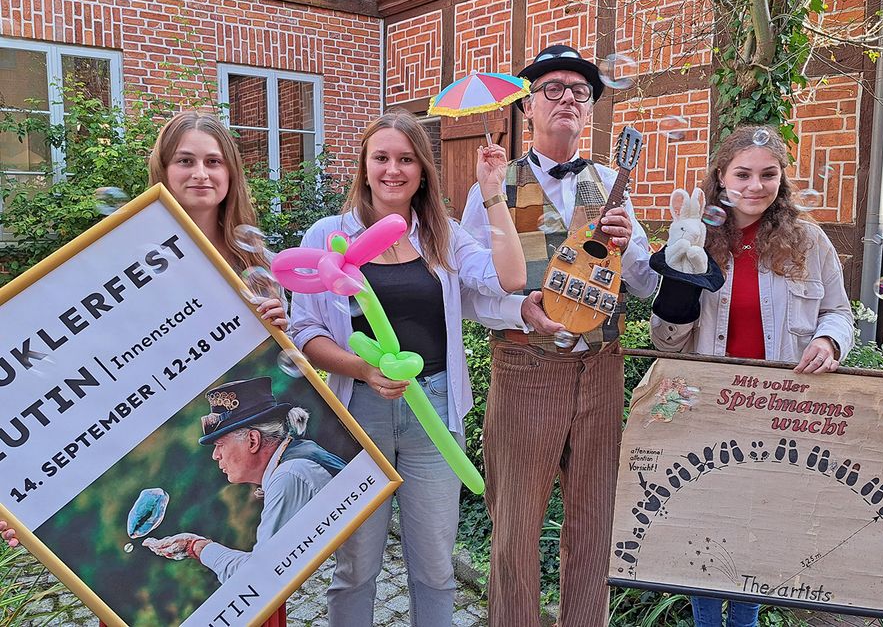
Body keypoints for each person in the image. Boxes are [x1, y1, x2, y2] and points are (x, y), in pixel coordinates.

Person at [0, 111, 291, 627]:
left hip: (235, 466)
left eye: (213, 161)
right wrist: (33, 498)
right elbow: (78, 383)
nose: (201, 173)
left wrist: (279, 325)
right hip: (164, 459)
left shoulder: (254, 260)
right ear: (163, 170)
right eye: (185, 161)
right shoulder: (120, 263)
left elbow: (286, 369)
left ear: (231, 175)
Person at [288, 109, 525, 626]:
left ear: (422, 171)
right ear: (364, 166)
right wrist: (363, 369)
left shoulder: (444, 235)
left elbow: (509, 277)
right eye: (382, 158)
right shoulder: (329, 235)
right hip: (358, 412)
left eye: (406, 159)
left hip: (435, 410)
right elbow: (305, 333)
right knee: (355, 567)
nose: (393, 170)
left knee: (436, 567)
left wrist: (493, 192)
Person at [459, 44, 659, 626]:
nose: (568, 97)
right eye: (554, 88)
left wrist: (631, 246)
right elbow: (470, 290)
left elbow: (644, 286)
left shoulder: (610, 182)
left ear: (590, 109)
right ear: (528, 108)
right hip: (525, 370)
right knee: (515, 526)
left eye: (580, 90)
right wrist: (522, 311)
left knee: (595, 523)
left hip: (601, 373)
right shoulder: (495, 187)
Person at [648, 124, 855, 627]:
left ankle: (744, 622)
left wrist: (828, 341)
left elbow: (839, 312)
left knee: (755, 525)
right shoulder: (695, 239)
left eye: (767, 174)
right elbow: (665, 342)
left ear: (781, 179)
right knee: (709, 526)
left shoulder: (809, 241)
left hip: (779, 410)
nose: (754, 185)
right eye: (742, 174)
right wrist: (677, 287)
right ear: (721, 177)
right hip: (710, 408)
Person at [143, 376, 346, 581]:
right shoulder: (295, 459)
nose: (215, 455)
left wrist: (197, 547)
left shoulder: (288, 475)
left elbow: (259, 576)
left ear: (252, 440)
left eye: (220, 445)